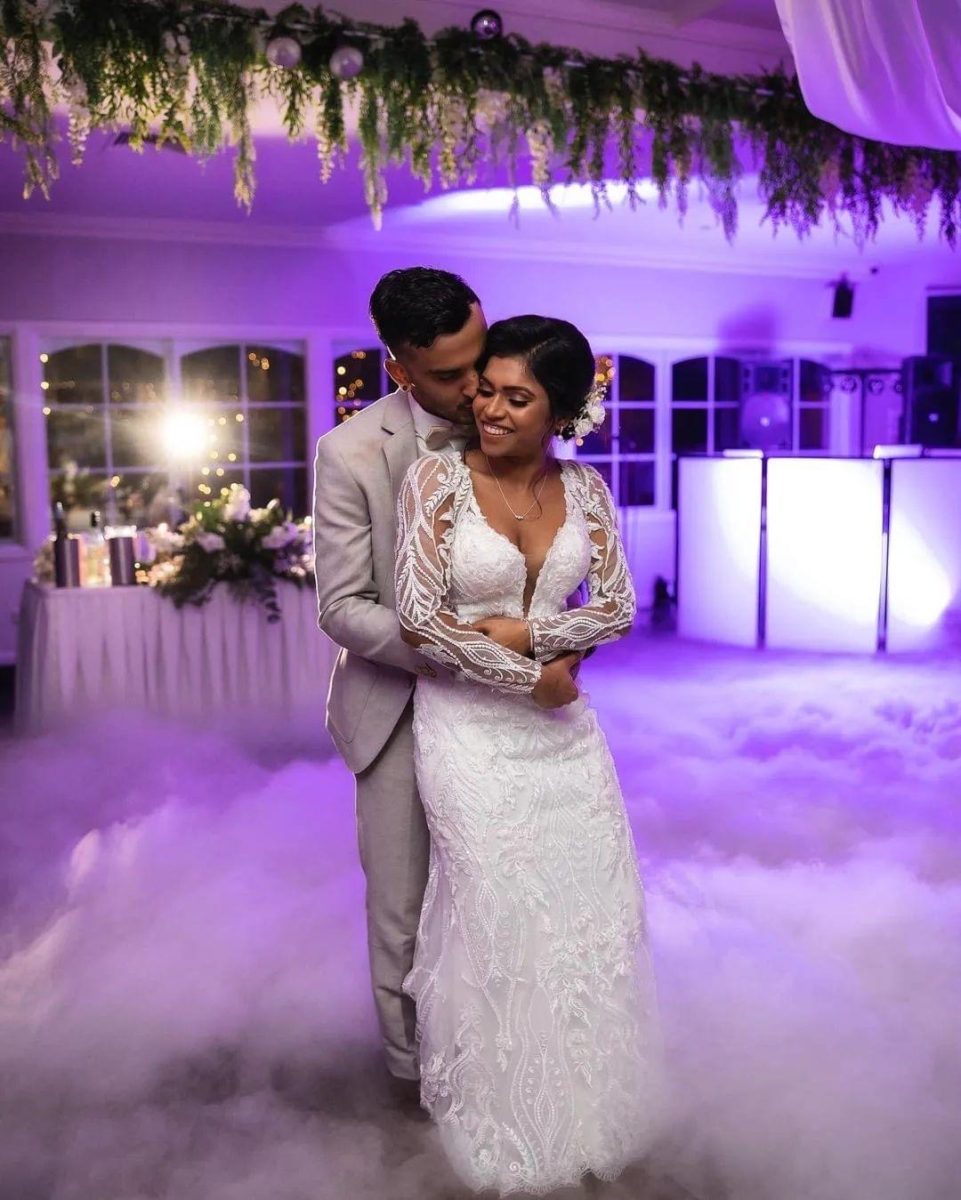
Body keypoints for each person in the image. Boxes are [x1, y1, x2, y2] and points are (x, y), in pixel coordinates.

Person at [394, 315, 661, 1194]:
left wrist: (533, 635)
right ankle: (503, 1116)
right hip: (468, 733)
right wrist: (529, 678)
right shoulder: (436, 480)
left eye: (517, 398)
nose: (490, 410)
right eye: (486, 391)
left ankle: (587, 1109)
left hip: (566, 741)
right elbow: (422, 622)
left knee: (586, 918)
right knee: (500, 915)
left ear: (561, 411)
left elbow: (616, 608)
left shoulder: (585, 487)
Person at [312, 271, 580, 1101]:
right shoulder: (350, 453)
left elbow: (555, 559)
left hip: (513, 715)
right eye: (450, 375)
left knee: (511, 890)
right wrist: (462, 652)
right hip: (400, 702)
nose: (476, 390)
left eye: (481, 357)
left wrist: (552, 643)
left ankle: (512, 1055)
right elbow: (342, 606)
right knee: (403, 906)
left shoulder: (516, 414)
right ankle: (417, 1080)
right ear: (399, 369)